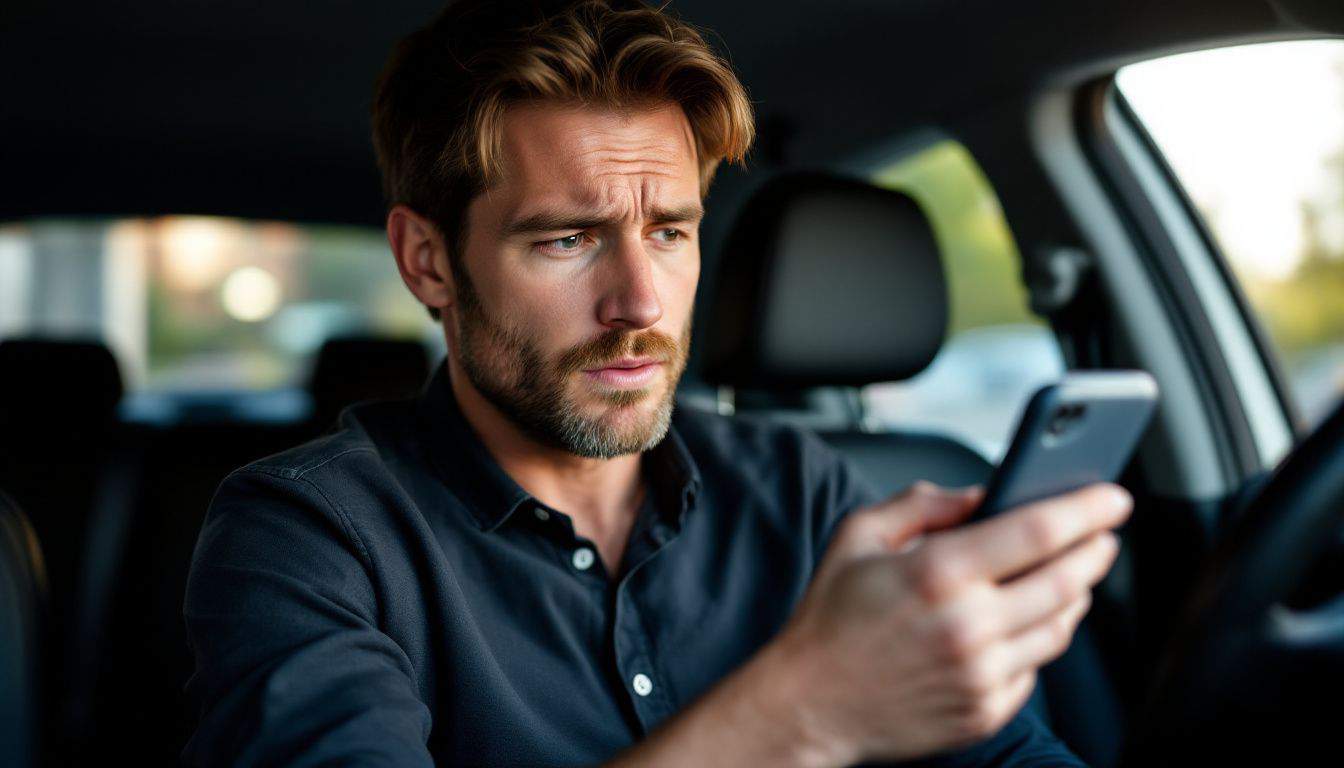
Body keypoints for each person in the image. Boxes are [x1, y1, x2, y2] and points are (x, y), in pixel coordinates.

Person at [181, 1, 1131, 765]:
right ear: (427, 262)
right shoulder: (304, 535)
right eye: (567, 239)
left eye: (670, 231)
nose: (640, 301)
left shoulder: (800, 493)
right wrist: (805, 709)